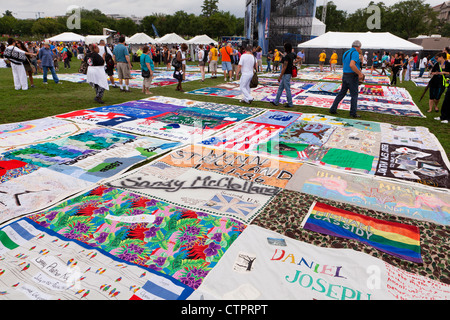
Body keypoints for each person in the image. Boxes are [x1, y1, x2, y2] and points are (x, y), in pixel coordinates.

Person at [329, 40, 364, 118]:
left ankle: (333, 109)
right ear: (358, 47)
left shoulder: (346, 52)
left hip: (345, 75)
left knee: (342, 93)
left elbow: (345, 64)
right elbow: (352, 65)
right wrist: (359, 73)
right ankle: (353, 113)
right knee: (354, 95)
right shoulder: (355, 53)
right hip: (352, 76)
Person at [270, 42, 296, 108]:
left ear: (286, 48)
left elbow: (284, 67)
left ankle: (290, 103)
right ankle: (276, 101)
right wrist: (294, 62)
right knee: (280, 88)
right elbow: (299, 58)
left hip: (286, 74)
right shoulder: (292, 55)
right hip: (288, 73)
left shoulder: (287, 56)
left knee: (287, 89)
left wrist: (280, 76)